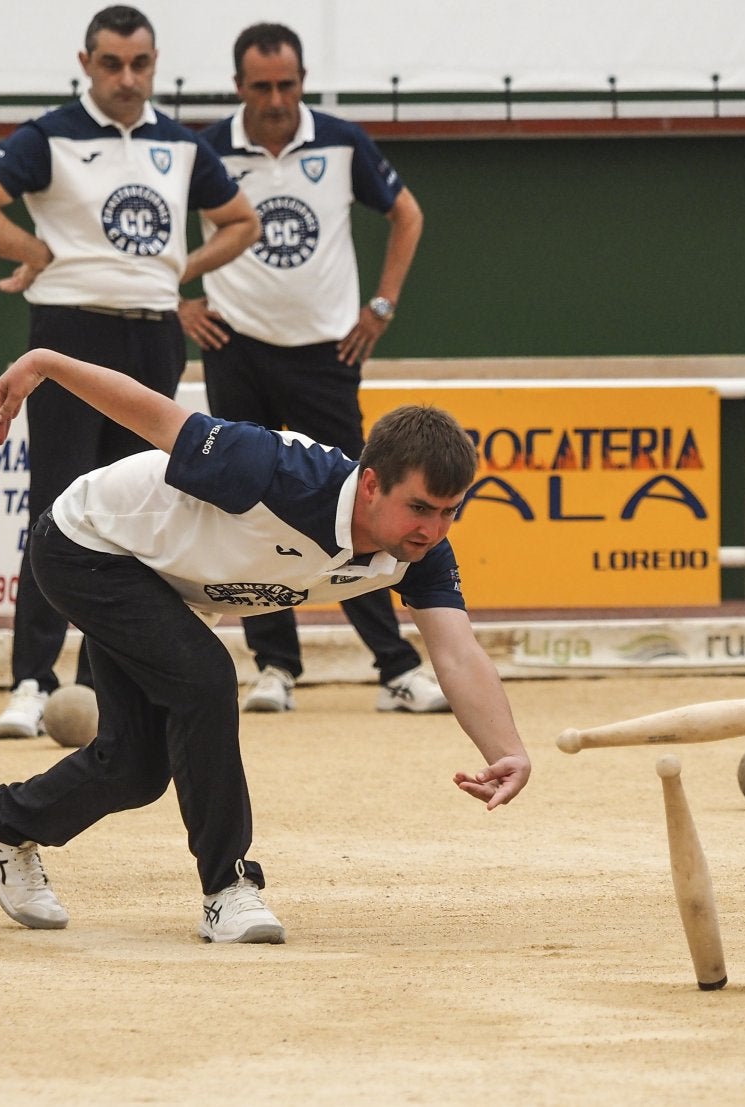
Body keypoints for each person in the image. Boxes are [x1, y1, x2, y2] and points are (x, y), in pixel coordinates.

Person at [0, 347, 531, 942]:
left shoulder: (420, 555)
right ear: (372, 485)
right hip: (89, 544)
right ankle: (229, 890)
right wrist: (48, 364)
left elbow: (457, 653)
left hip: (168, 582)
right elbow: (152, 417)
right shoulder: (271, 471)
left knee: (137, 769)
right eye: (419, 508)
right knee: (205, 675)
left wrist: (506, 747)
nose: (432, 530)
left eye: (448, 513)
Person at [0, 5, 259, 740]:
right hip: (70, 333)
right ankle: (30, 680)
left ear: (155, 64)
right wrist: (36, 252)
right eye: (111, 63)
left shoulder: (180, 145)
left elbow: (243, 222)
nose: (126, 78)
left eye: (139, 64)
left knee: (137, 513)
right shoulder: (49, 135)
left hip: (153, 340)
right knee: (55, 506)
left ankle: (101, 684)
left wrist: (181, 267)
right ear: (86, 63)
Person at [179, 22, 439, 716]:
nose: (275, 99)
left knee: (364, 507)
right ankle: (274, 666)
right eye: (261, 86)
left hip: (328, 353)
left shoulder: (341, 140)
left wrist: (380, 305)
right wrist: (179, 304)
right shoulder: (204, 147)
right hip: (236, 348)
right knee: (248, 507)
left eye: (287, 84)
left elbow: (407, 215)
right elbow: (149, 228)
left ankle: (396, 668)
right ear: (238, 86)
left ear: (302, 81)